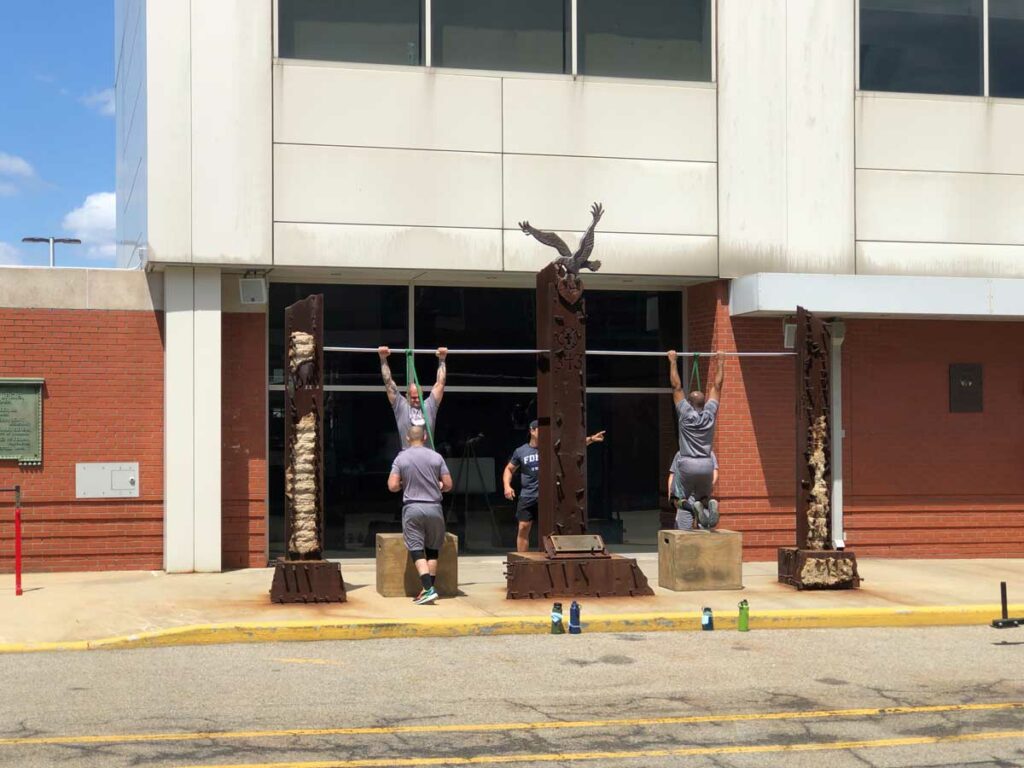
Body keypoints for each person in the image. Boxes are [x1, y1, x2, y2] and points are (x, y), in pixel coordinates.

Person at [503, 420, 606, 553]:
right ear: (532, 431)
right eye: (539, 429)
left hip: (549, 495)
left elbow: (573, 445)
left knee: (553, 528)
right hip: (528, 495)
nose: (544, 432)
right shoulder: (521, 451)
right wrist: (507, 486)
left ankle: (553, 555)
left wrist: (591, 438)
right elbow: (509, 469)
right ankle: (522, 559)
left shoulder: (551, 447)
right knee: (523, 526)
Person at [387, 425, 453, 605]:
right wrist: (438, 485)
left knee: (416, 549)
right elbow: (448, 484)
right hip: (434, 507)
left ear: (408, 439)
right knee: (432, 550)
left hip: (413, 508)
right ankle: (427, 590)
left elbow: (392, 486)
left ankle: (428, 589)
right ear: (424, 437)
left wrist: (404, 483)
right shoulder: (436, 457)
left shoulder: (401, 458)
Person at [667, 350, 726, 528]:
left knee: (677, 499)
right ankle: (708, 505)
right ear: (704, 403)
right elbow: (717, 387)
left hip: (687, 462)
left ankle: (692, 509)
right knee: (703, 497)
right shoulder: (709, 414)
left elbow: (676, 387)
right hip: (707, 463)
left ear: (689, 404)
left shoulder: (685, 414)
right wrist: (721, 362)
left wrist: (672, 361)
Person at [379, 345, 448, 449]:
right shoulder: (401, 406)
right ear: (407, 396)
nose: (416, 400)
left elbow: (440, 383)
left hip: (427, 456)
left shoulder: (429, 405)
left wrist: (442, 359)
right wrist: (383, 358)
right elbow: (388, 383)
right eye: (413, 397)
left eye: (418, 397)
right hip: (408, 456)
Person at [667, 451, 718, 530]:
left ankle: (693, 509)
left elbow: (673, 474)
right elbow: (715, 472)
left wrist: (671, 494)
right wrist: (708, 486)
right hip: (703, 495)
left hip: (686, 494)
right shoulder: (709, 453)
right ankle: (708, 509)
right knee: (706, 531)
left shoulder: (681, 453)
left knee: (683, 530)